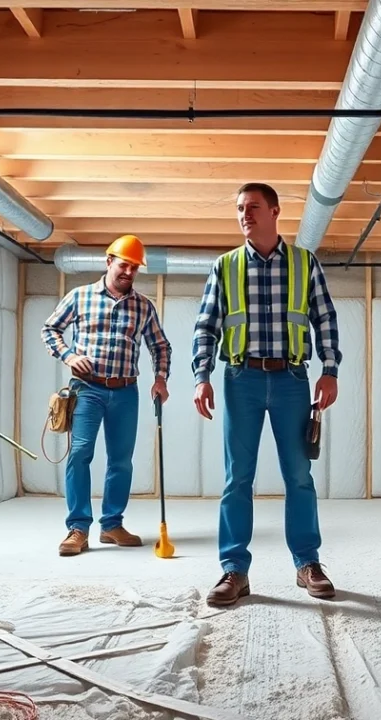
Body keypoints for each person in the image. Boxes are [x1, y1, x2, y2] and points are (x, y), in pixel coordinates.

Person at [191, 182, 342, 607]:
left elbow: (324, 317)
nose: (244, 215)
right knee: (237, 478)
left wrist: (330, 370)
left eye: (253, 207)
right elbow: (206, 325)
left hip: (293, 380)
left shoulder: (303, 263)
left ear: (275, 212)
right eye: (239, 208)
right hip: (241, 380)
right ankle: (234, 570)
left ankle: (308, 563)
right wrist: (201, 375)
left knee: (299, 476)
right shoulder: (225, 266)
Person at [41, 234, 172, 556]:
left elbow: (160, 346)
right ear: (109, 261)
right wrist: (70, 356)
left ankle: (112, 525)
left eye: (134, 268)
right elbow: (50, 330)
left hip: (126, 391)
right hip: (87, 389)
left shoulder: (143, 306)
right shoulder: (80, 296)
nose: (128, 272)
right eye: (124, 265)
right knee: (80, 454)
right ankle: (78, 528)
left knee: (121, 461)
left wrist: (160, 379)